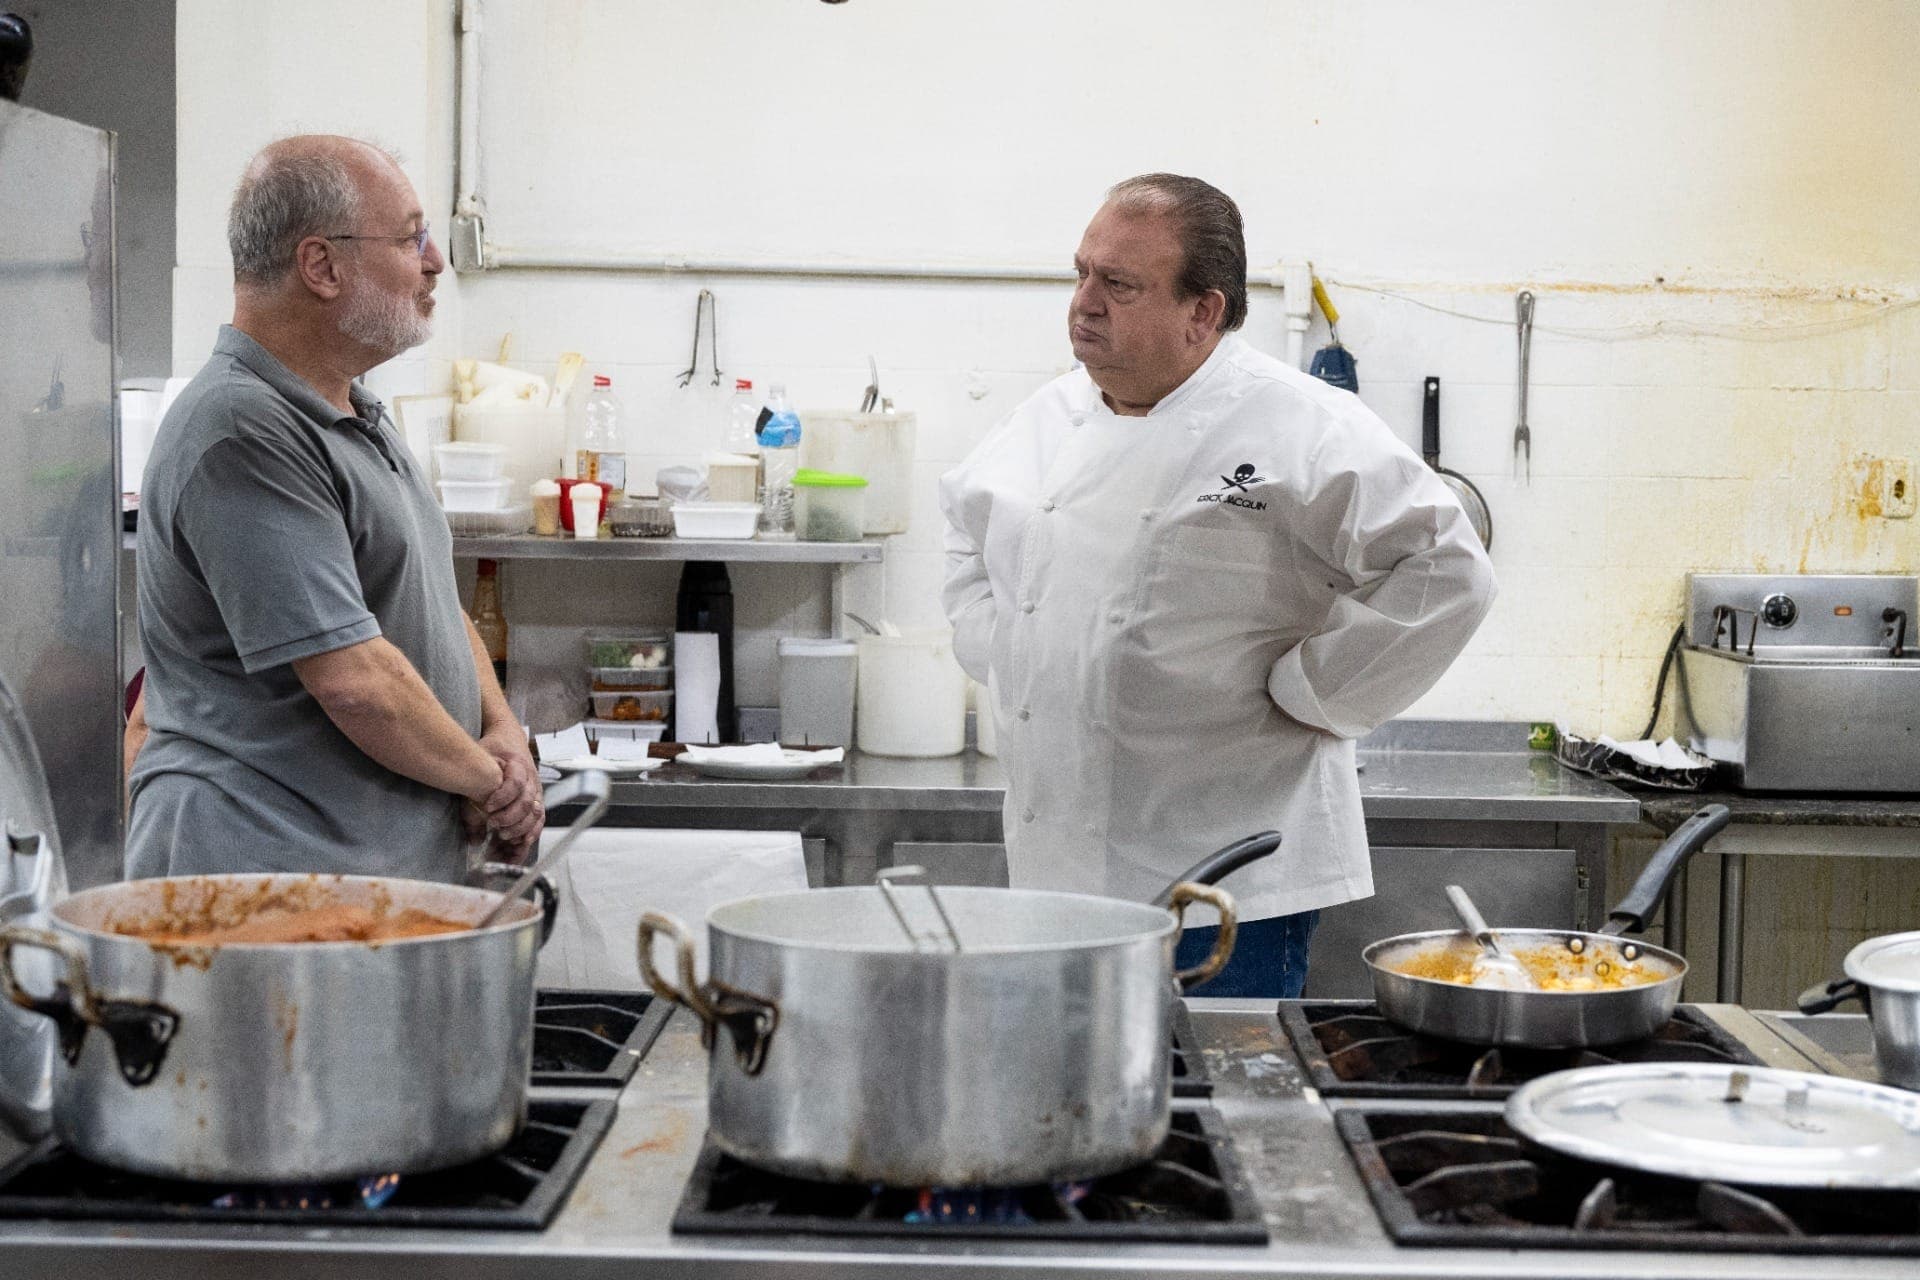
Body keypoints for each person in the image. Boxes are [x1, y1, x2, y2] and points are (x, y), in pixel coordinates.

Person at [939, 174, 1496, 997]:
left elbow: (1448, 570)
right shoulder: (1050, 416)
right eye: (1081, 273)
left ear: (1203, 311)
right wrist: (1005, 647)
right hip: (1054, 877)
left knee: (1221, 1110)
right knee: (1080, 1112)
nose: (1083, 304)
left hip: (1228, 893)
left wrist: (1316, 690)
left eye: (1118, 285)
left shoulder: (1301, 425)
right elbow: (967, 536)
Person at [126, 135, 541, 882]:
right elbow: (354, 678)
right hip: (258, 884)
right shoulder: (240, 429)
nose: (434, 259)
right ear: (321, 266)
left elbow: (429, 609)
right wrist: (489, 781)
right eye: (410, 235)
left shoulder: (354, 415)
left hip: (358, 879)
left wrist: (501, 729)